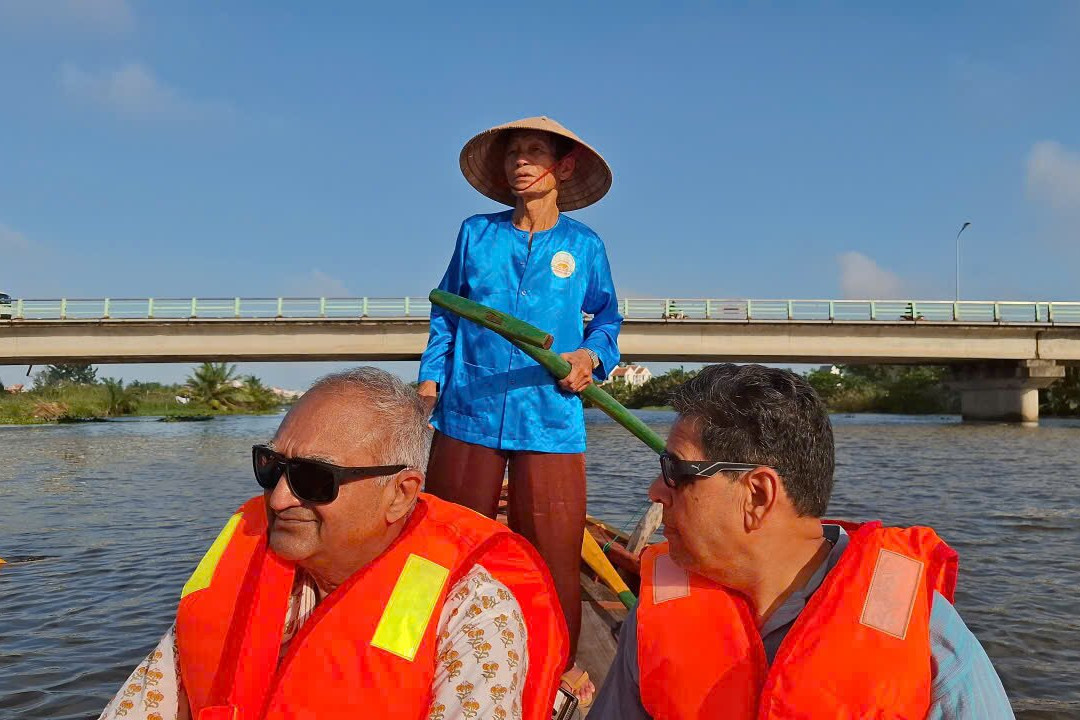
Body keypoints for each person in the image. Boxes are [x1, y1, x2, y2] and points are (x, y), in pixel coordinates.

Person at [99, 367, 568, 720]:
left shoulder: (474, 610)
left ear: (400, 494)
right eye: (271, 466)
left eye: (314, 478)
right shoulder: (240, 569)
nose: (280, 498)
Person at [592, 364, 1015, 719]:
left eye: (676, 471)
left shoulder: (924, 632)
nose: (655, 490)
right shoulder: (659, 612)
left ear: (758, 495)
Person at [418, 115, 621, 705]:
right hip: (468, 408)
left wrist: (591, 355)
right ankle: (433, 652)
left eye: (534, 153)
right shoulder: (475, 234)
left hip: (549, 414)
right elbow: (447, 314)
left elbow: (607, 320)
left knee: (554, 555)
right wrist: (431, 385)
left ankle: (556, 669)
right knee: (447, 543)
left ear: (564, 167)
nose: (520, 163)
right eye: (512, 154)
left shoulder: (584, 247)